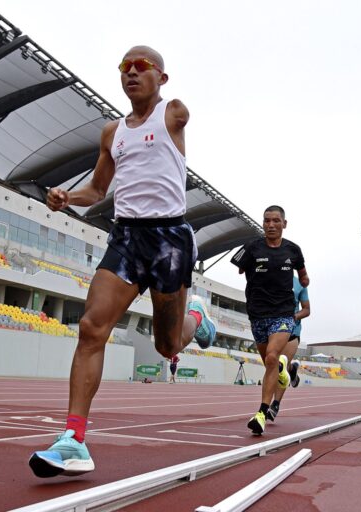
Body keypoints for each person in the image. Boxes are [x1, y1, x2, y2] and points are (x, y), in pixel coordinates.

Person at [29, 46, 217, 478]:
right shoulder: (112, 134)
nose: (131, 74)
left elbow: (180, 113)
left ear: (161, 78)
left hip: (169, 239)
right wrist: (65, 197)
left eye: (142, 67)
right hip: (127, 237)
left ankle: (196, 320)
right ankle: (73, 439)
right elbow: (97, 191)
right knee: (91, 327)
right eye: (124, 68)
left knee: (167, 346)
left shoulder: (172, 112)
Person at [231, 206, 308, 435]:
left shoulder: (293, 250)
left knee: (273, 356)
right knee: (270, 364)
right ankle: (284, 376)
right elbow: (239, 269)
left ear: (284, 224)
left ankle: (261, 413)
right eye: (267, 221)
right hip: (258, 314)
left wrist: (304, 280)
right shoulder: (252, 247)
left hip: (284, 314)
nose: (271, 225)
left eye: (276, 221)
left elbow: (303, 277)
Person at [266, 276, 310, 422]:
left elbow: (307, 310)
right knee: (276, 365)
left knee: (281, 367)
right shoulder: (269, 275)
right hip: (272, 329)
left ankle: (275, 405)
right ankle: (292, 370)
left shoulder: (299, 284)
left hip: (292, 331)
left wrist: (294, 317)